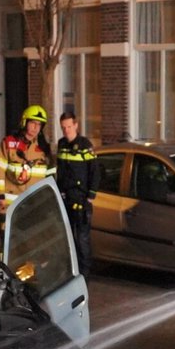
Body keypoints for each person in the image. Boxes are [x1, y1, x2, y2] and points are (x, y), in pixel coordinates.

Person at [0, 104, 53, 234]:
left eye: (39, 124)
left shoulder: (44, 149)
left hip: (34, 205)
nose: (36, 127)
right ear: (24, 122)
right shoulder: (9, 143)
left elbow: (50, 177)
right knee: (6, 240)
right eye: (33, 123)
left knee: (31, 240)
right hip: (10, 203)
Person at [54, 110, 101, 273]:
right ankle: (72, 273)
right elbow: (60, 171)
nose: (66, 130)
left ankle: (85, 275)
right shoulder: (61, 145)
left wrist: (90, 196)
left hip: (81, 200)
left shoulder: (85, 145)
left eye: (69, 126)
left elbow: (95, 171)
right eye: (63, 127)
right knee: (68, 240)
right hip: (66, 199)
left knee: (82, 241)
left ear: (76, 125)